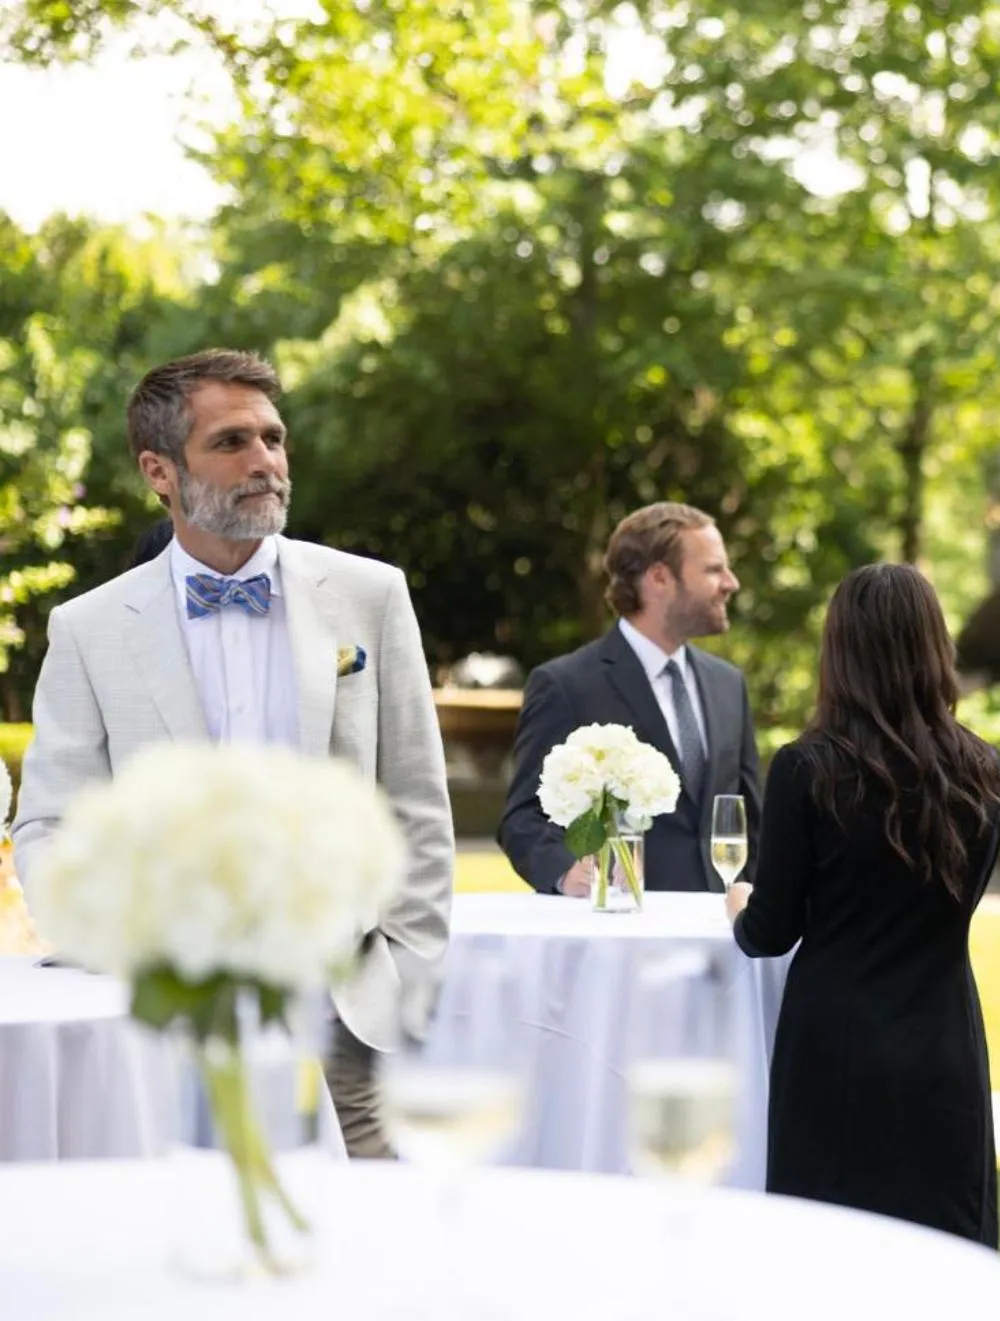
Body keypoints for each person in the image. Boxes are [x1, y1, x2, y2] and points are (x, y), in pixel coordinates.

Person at [11, 349, 454, 1157]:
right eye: (231, 442)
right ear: (159, 470)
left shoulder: (370, 594)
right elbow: (47, 823)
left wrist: (407, 972)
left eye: (273, 439)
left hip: (348, 1027)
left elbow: (418, 803)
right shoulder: (90, 627)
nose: (265, 463)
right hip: (162, 1034)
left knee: (376, 1254)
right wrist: (118, 955)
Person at [722, 564, 1000, 1245]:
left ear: (840, 650)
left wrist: (740, 902)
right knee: (943, 1254)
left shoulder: (807, 768)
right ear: (934, 647)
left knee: (829, 1254)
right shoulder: (983, 770)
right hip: (945, 1044)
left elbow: (769, 931)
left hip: (836, 1051)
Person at [498, 502, 760, 895]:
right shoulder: (565, 685)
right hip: (621, 935)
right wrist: (565, 874)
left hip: (722, 935)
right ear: (659, 578)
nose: (731, 582)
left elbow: (752, 819)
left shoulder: (728, 685)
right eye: (713, 569)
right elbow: (522, 819)